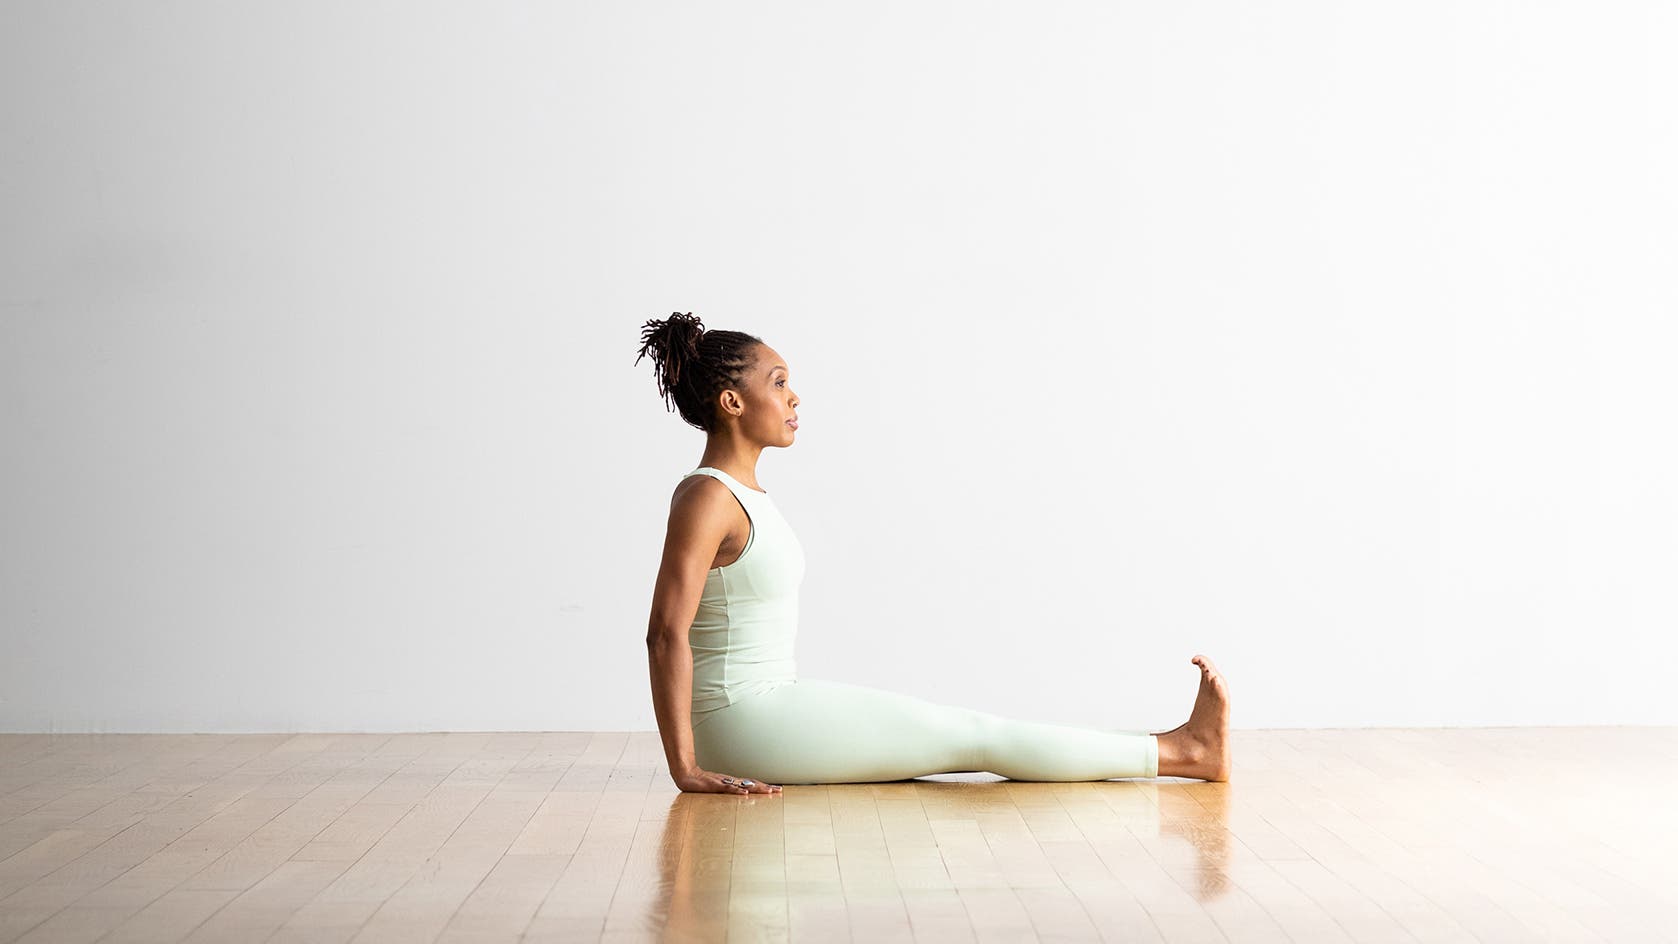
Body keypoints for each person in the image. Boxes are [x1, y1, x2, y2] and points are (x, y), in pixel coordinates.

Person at [636, 312, 1231, 796]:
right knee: (974, 737)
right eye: (778, 381)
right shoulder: (707, 496)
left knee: (966, 731)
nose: (795, 396)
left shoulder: (742, 495)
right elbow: (666, 632)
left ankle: (1178, 749)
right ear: (732, 402)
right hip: (741, 722)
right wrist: (684, 768)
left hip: (767, 708)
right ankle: (1182, 752)